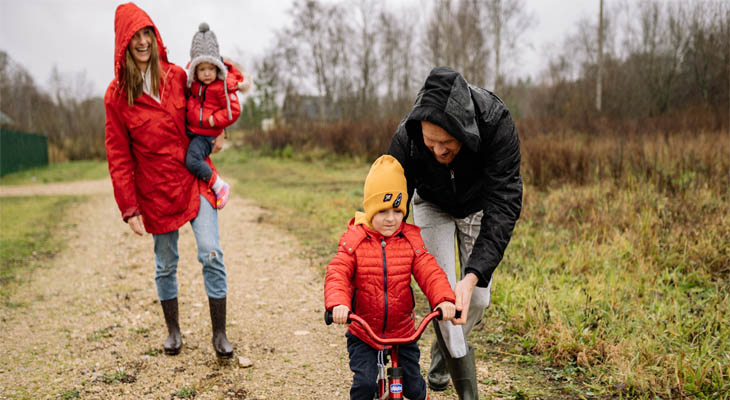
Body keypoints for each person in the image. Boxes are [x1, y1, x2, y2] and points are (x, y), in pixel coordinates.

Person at [105, 2, 233, 359]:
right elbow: (118, 154)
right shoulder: (116, 97)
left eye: (148, 33)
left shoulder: (178, 76)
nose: (143, 42)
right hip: (156, 191)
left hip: (194, 180)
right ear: (124, 43)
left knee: (211, 252)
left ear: (155, 36)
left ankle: (219, 334)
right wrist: (129, 206)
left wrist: (217, 130)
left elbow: (212, 94)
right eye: (136, 36)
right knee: (165, 263)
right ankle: (173, 331)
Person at [388, 66, 523, 399]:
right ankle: (468, 392)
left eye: (446, 143)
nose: (437, 151)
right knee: (444, 296)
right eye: (429, 142)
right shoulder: (407, 135)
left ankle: (444, 348)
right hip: (432, 204)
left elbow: (504, 203)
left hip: (477, 206)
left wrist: (474, 275)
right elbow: (389, 197)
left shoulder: (495, 123)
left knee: (476, 298)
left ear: (463, 131)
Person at [324, 155, 457, 400]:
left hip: (403, 332)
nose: (390, 218)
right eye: (382, 211)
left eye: (397, 210)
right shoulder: (356, 240)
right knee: (364, 385)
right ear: (370, 209)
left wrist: (444, 299)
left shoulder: (410, 240)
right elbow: (338, 271)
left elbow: (429, 270)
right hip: (364, 332)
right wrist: (338, 304)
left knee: (414, 388)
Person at [185, 22, 247, 209]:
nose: (207, 74)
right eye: (202, 69)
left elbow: (233, 111)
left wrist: (214, 121)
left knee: (192, 160)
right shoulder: (193, 85)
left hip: (206, 135)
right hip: (193, 129)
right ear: (195, 70)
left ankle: (219, 185)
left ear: (217, 68)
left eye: (211, 69)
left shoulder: (222, 87)